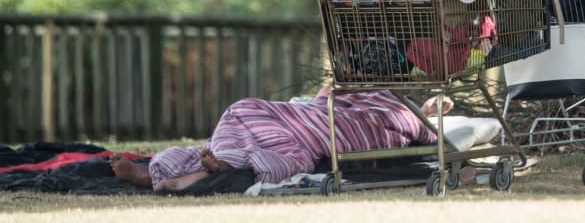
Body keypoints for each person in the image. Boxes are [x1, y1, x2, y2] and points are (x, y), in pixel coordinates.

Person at [110, 86, 451, 191]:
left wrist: (427, 110)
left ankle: (212, 165)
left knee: (288, 145)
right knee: (243, 111)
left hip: (341, 126)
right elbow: (318, 103)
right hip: (307, 116)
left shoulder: (402, 111)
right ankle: (210, 164)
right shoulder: (343, 86)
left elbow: (419, 129)